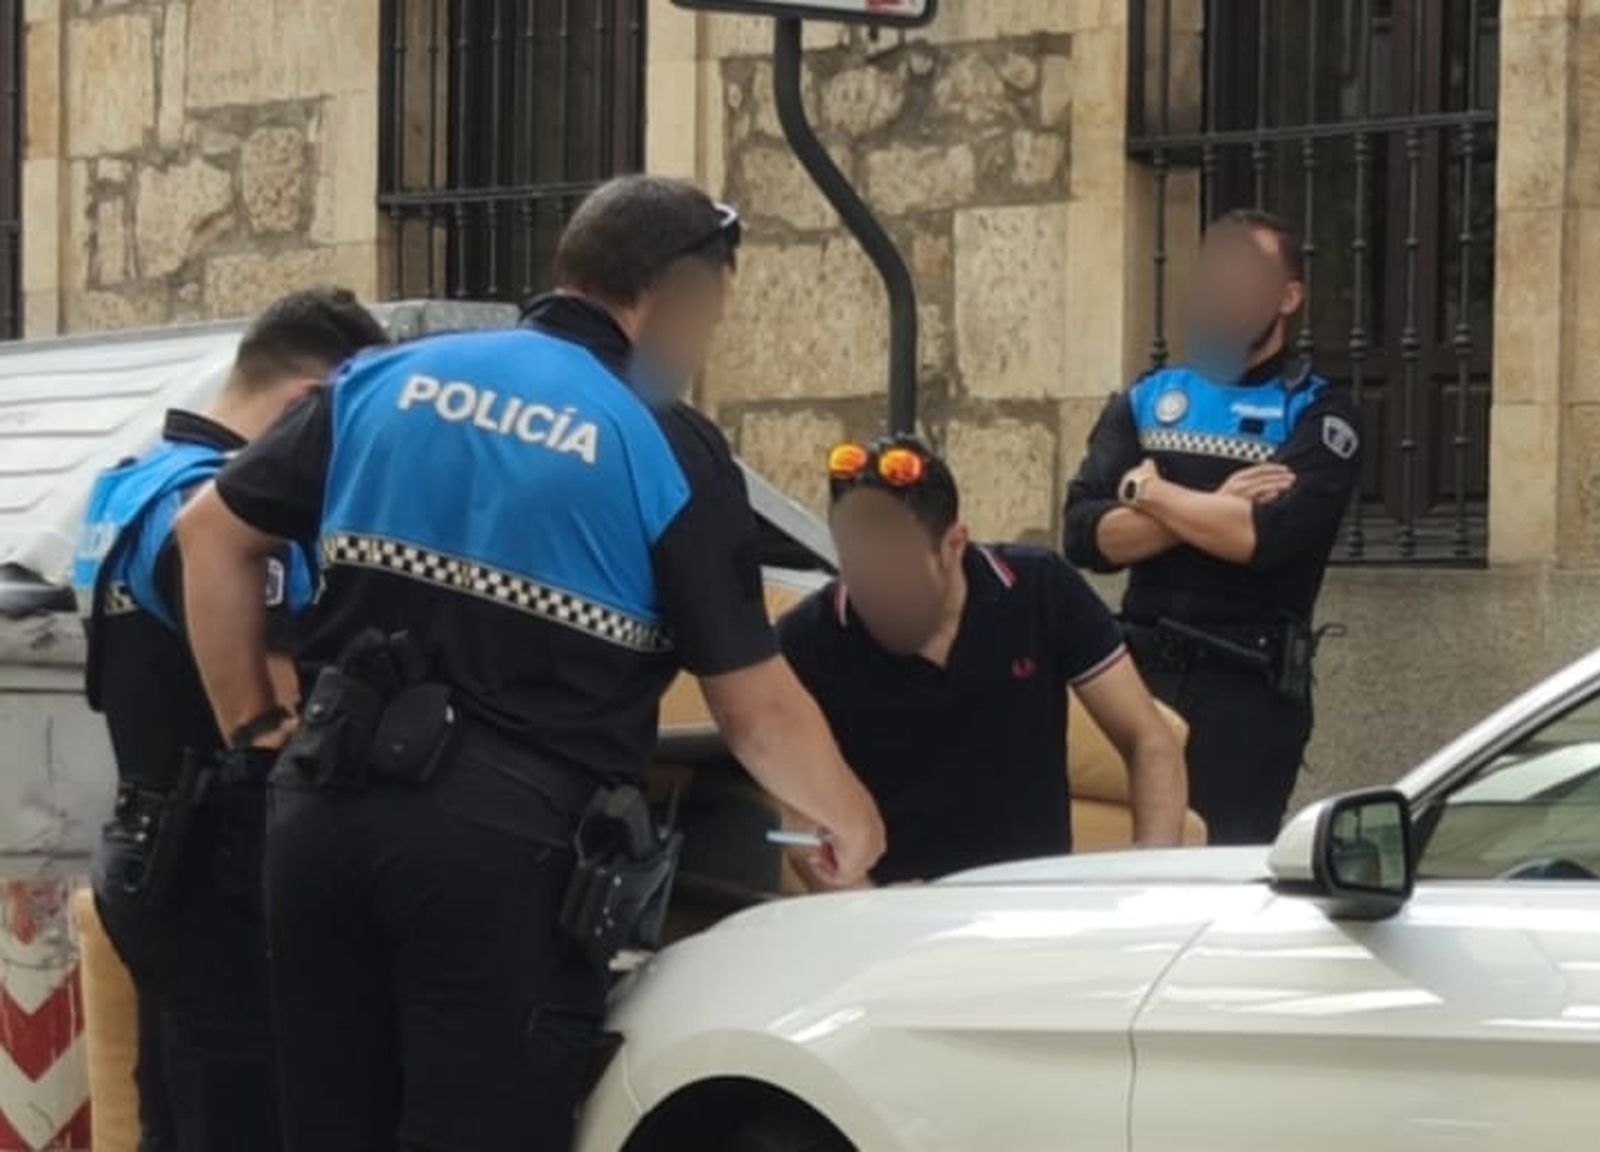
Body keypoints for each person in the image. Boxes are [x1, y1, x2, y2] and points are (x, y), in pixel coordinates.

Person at [172, 176, 887, 1152]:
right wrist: (848, 819)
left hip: (318, 823)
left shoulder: (384, 381)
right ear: (673, 296)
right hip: (500, 857)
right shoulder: (661, 442)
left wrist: (255, 727)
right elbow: (754, 710)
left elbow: (208, 533)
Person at [72, 288, 391, 1152]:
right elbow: (282, 713)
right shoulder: (232, 518)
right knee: (244, 1114)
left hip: (145, 849)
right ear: (303, 408)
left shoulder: (124, 486)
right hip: (223, 867)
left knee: (172, 1116)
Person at [1063, 209, 1362, 845]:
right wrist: (1212, 504)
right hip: (1140, 677)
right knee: (1124, 867)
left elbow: (1258, 539)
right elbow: (1087, 536)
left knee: (1217, 876)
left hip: (1247, 691)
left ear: (1287, 297)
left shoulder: (1320, 412)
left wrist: (1149, 491)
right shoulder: (1149, 398)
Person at [779, 437, 1188, 885]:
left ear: (955, 544)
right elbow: (802, 826)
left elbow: (1148, 740)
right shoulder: (808, 640)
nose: (876, 592)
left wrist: (1153, 873)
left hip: (1031, 902)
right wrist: (871, 908)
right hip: (893, 910)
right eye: (856, 564)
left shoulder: (1040, 591)